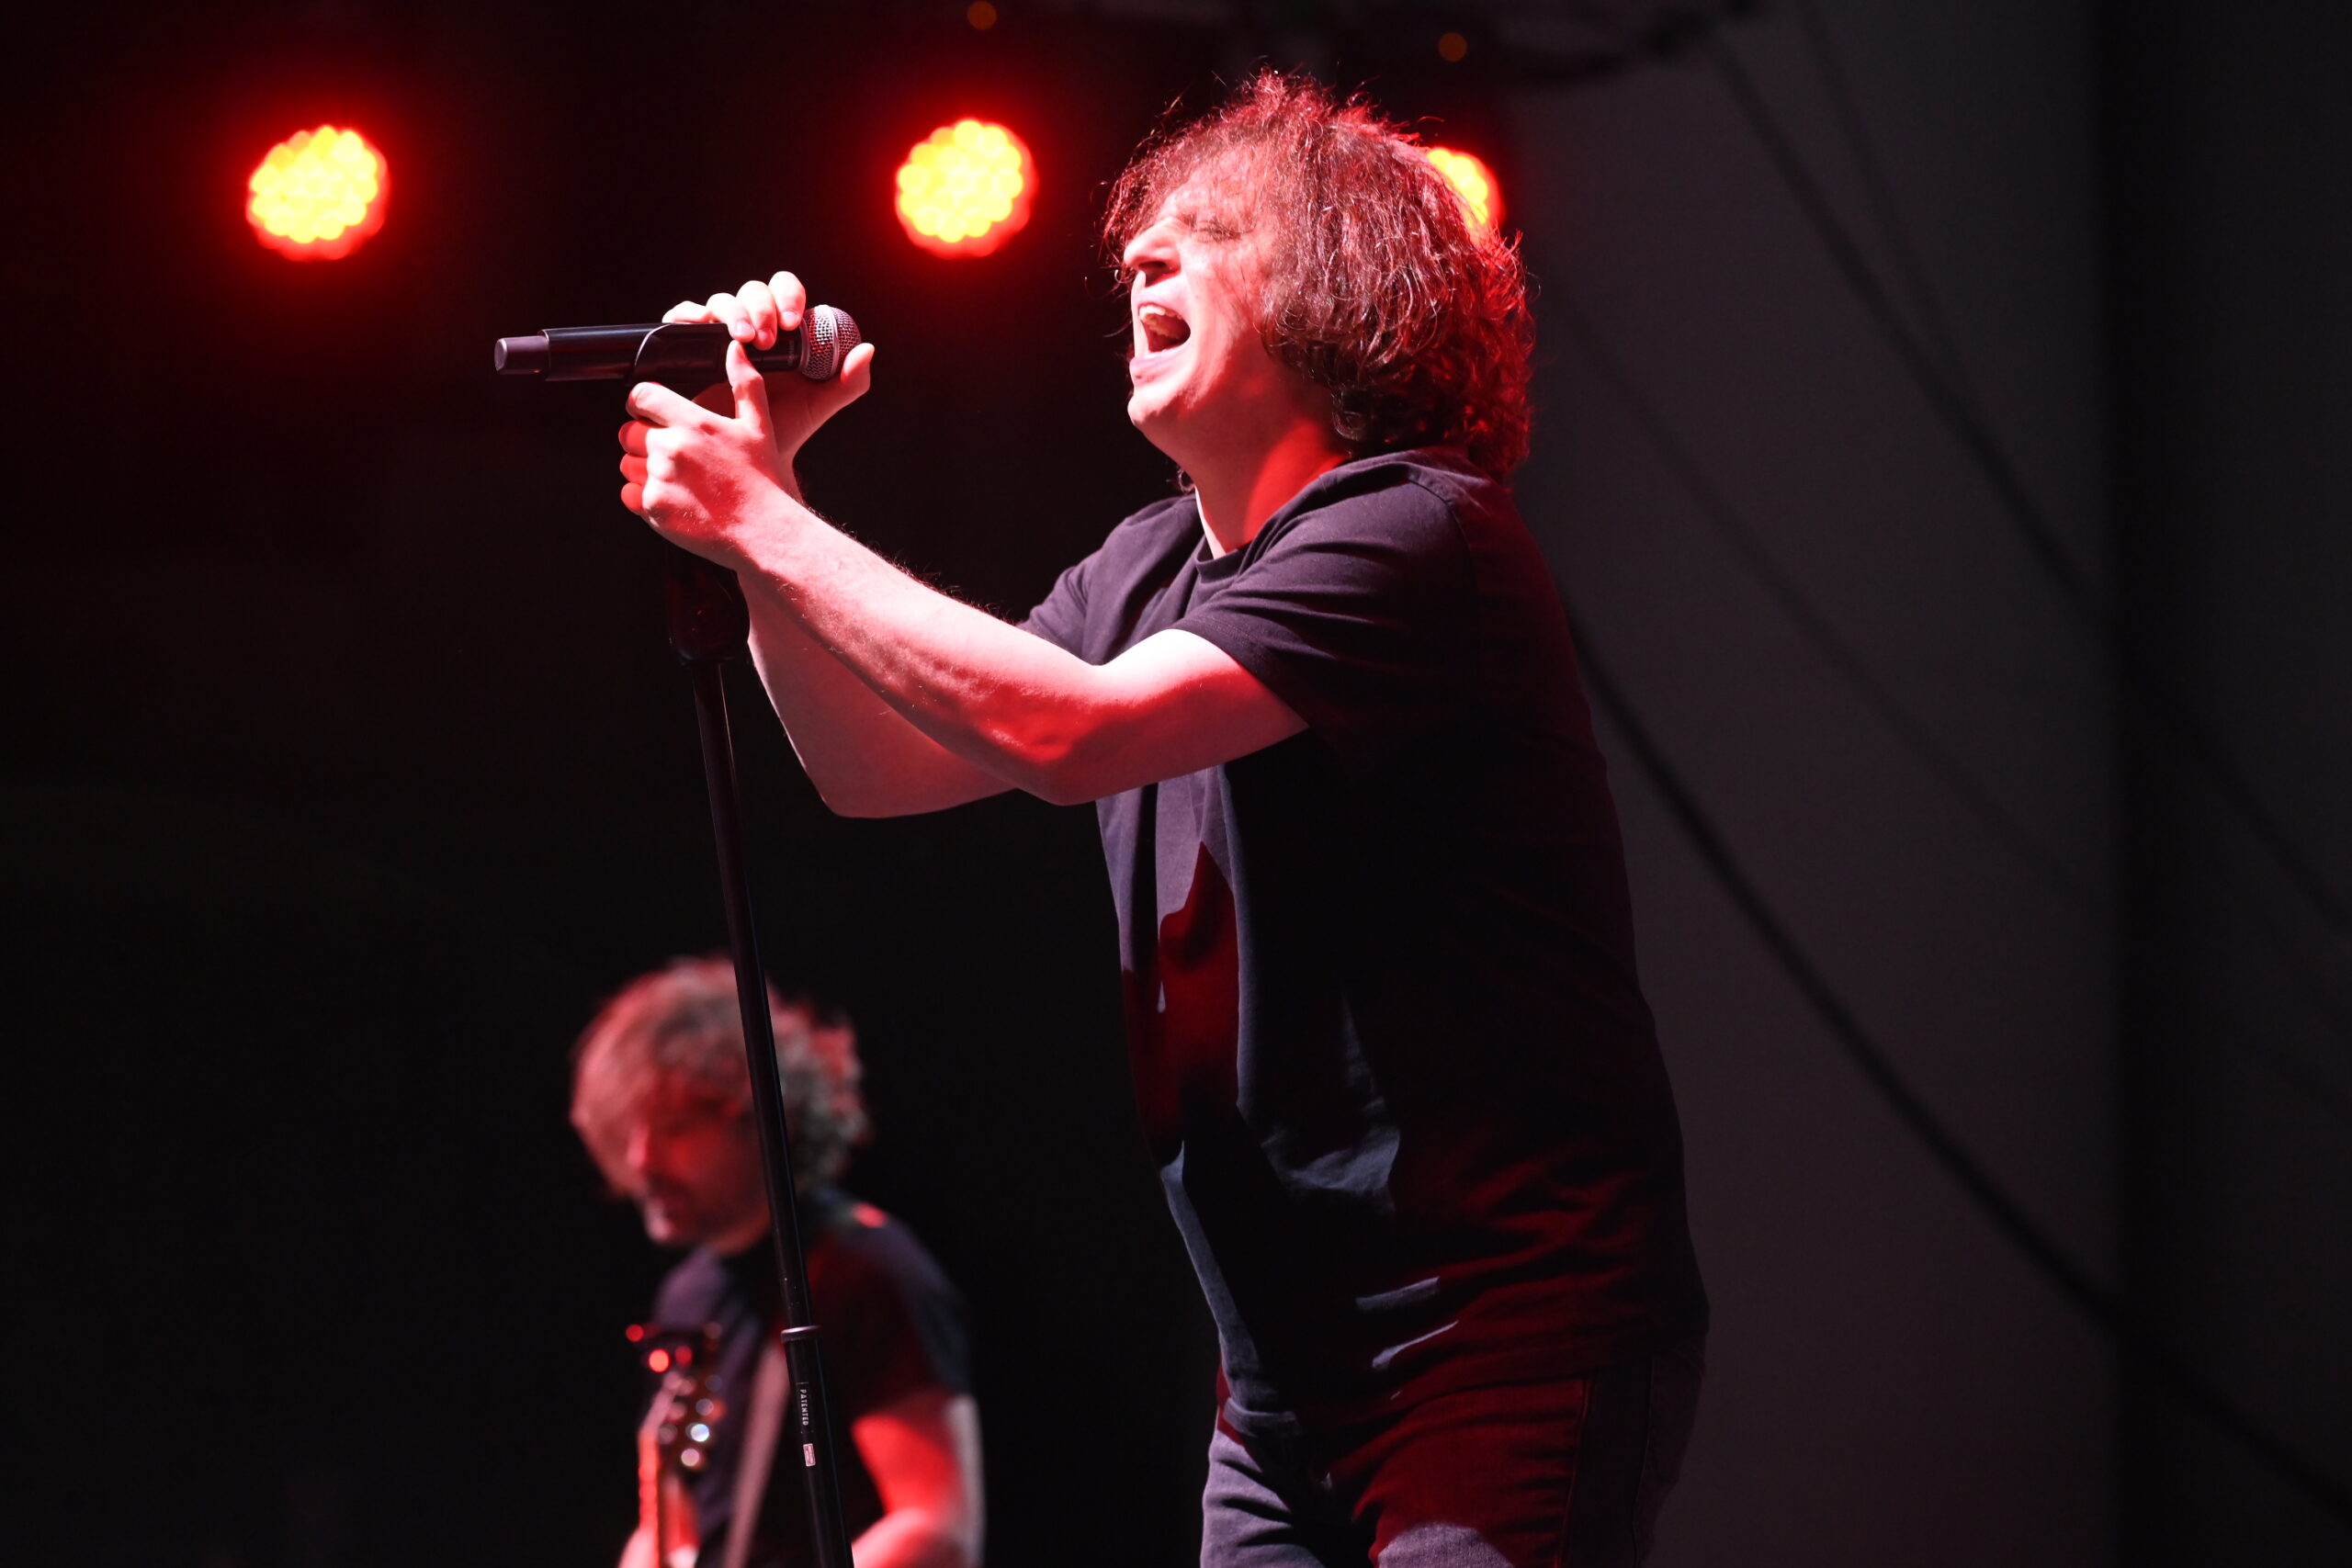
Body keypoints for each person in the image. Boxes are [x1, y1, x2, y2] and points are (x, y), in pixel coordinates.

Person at [614, 71, 1708, 1568]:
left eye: (1211, 232)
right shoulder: (1144, 566)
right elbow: (874, 764)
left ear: (1340, 286)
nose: (1142, 256)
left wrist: (762, 518)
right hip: (1284, 1387)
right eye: (1139, 238)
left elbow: (1069, 733)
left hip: (1500, 1346)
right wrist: (773, 504)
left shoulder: (1417, 530)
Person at [571, 958, 982, 1568]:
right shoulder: (686, 1295)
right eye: (630, 1131)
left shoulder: (867, 1270)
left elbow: (936, 1528)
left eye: (675, 1127)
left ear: (761, 1120)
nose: (642, 1161)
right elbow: (676, 1533)